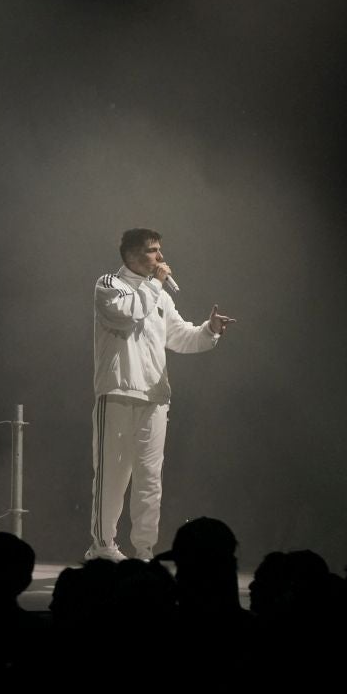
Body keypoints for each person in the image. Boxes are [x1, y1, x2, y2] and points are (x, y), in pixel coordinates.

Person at [87, 228, 233, 562]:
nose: (161, 258)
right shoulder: (109, 284)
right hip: (119, 392)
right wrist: (154, 284)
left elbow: (181, 338)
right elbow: (125, 317)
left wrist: (209, 330)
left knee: (150, 478)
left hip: (155, 396)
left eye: (160, 250)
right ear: (132, 254)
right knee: (112, 474)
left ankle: (143, 550)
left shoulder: (160, 297)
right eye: (154, 251)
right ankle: (103, 547)